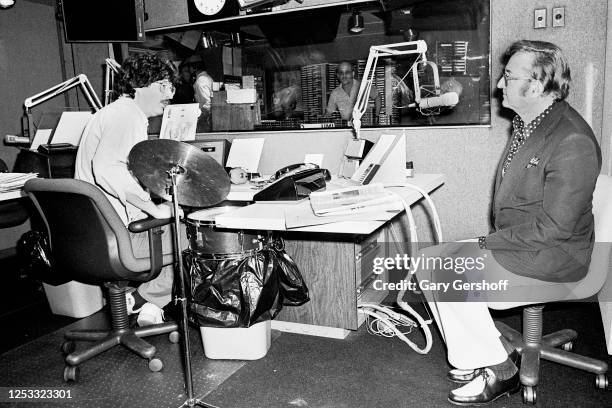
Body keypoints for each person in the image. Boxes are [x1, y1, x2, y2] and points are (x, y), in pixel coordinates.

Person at [414, 40, 601, 405]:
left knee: (449, 269)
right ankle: (474, 352)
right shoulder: (531, 122)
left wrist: (486, 244)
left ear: (535, 85)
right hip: (529, 241)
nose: (500, 83)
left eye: (509, 76)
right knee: (428, 260)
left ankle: (500, 368)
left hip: (555, 253)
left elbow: (555, 229)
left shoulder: (571, 139)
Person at [75, 53, 179, 327]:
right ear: (141, 85)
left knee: (169, 223)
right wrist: (152, 207)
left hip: (94, 235)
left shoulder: (112, 113)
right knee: (190, 231)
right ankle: (149, 301)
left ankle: (146, 302)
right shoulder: (127, 116)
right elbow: (107, 169)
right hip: (118, 237)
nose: (169, 94)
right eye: (164, 85)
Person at [193, 63, 214, 132]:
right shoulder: (207, 77)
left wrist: (202, 117)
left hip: (205, 116)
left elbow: (207, 102)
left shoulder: (201, 80)